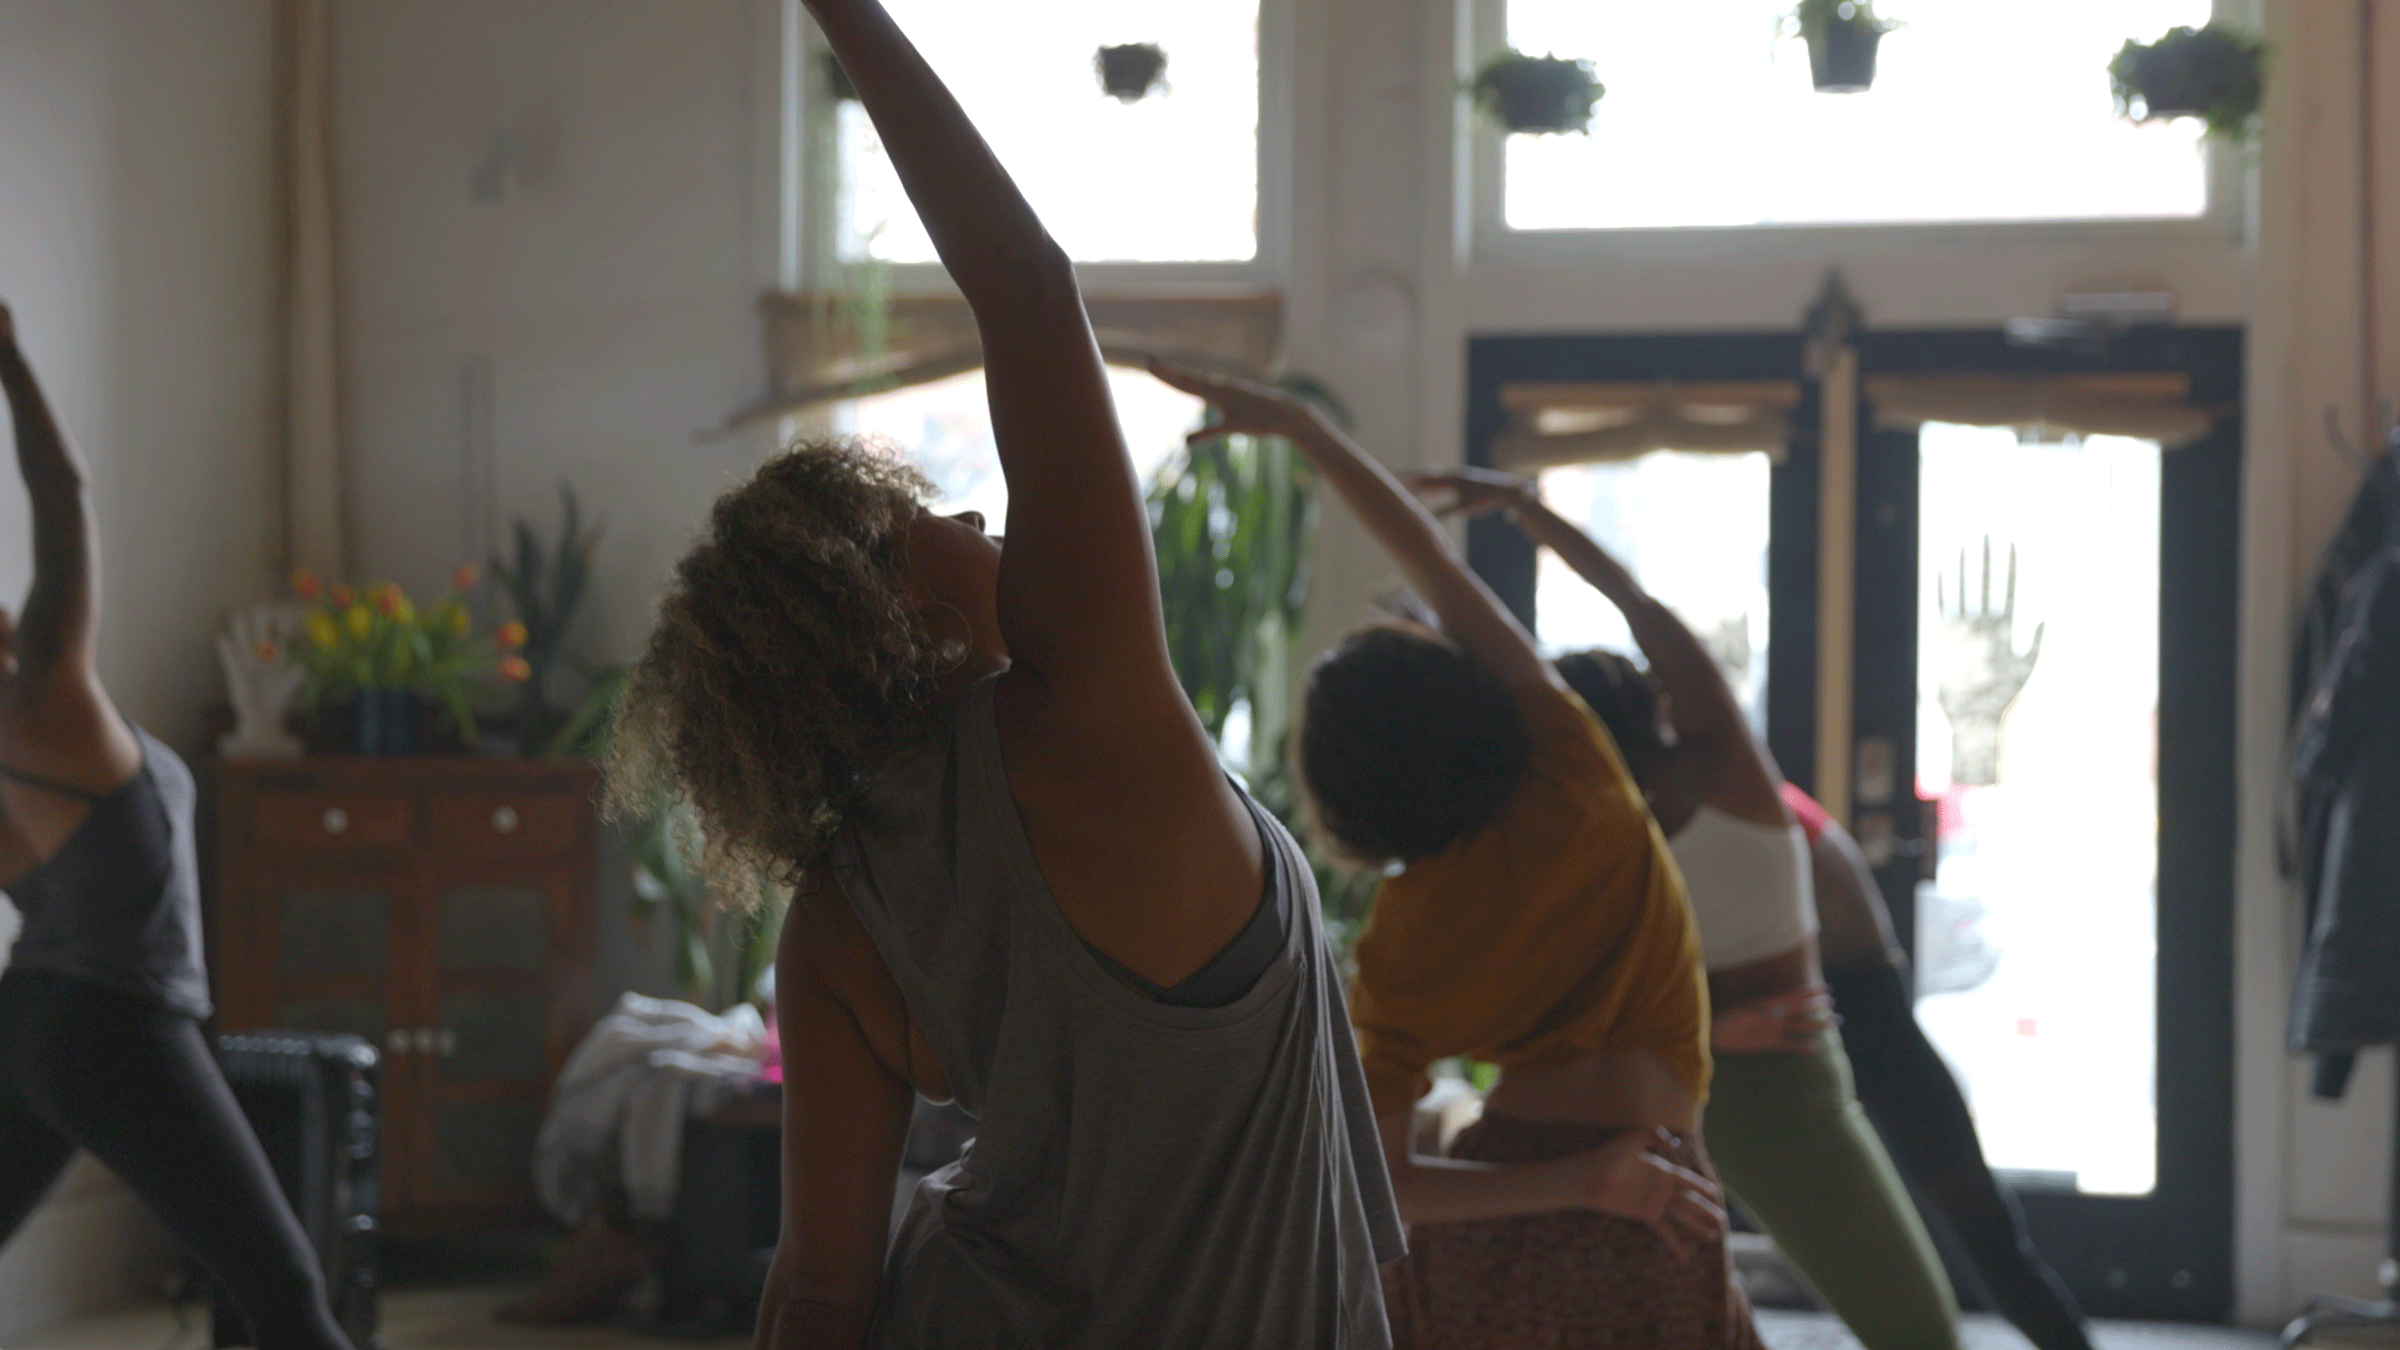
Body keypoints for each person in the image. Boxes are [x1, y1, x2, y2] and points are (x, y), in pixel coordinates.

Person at [603, 3, 1401, 1345]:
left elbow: (819, 1290)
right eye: (928, 519)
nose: (976, 517)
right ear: (887, 610)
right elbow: (1025, 281)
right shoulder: (1088, 718)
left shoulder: (835, 916)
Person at [1150, 361, 1753, 1350]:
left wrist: (1577, 1183)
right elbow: (1433, 561)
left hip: (1502, 1220)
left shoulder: (1401, 942)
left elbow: (1377, 1189)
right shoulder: (1575, 774)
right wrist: (1308, 430)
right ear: (1465, 701)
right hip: (1656, 1195)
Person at [1412, 466, 1964, 1350]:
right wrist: (1518, 510)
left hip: (1734, 1080)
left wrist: (1519, 513)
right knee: (1900, 1329)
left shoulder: (1667, 797)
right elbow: (1634, 607)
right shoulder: (1662, 800)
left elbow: (1631, 613)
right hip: (1729, 1079)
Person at [0, 304, 357, 1350]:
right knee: (285, 1291)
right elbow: (62, 500)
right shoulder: (48, 695)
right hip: (120, 1022)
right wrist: (11, 360)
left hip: (29, 1022)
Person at [1789, 783, 2098, 1350]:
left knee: (1977, 1220)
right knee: (1960, 1222)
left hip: (1863, 1008)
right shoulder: (1733, 801)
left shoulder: (1753, 798)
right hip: (1836, 1009)